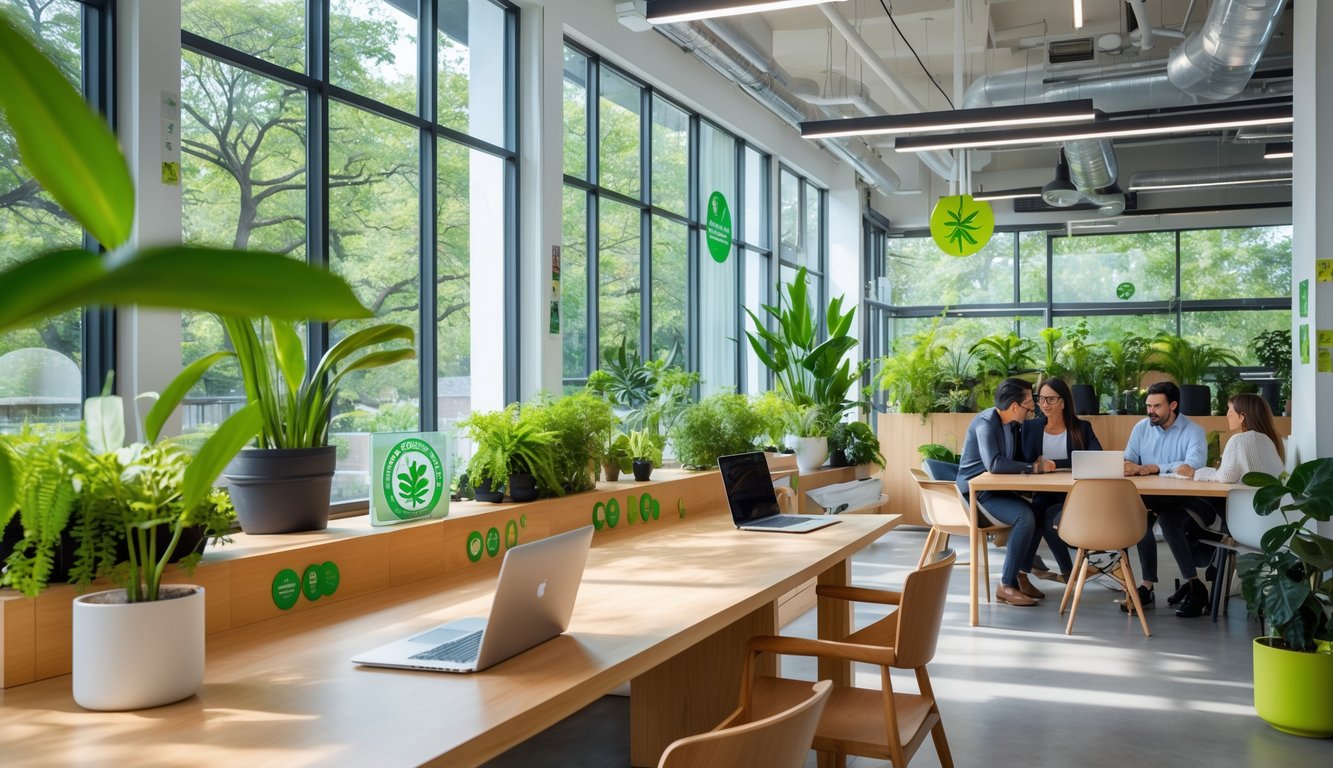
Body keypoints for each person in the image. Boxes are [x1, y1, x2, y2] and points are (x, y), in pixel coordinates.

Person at [956, 377, 1055, 607]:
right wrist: (1033, 468)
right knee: (1025, 517)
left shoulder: (1012, 424)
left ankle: (1021, 575)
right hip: (977, 495)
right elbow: (994, 464)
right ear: (1014, 406)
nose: (1032, 409)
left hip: (995, 490)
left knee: (1039, 512)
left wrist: (1035, 461)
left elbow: (1015, 459)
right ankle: (1006, 585)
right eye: (1029, 404)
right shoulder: (986, 423)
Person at [1123, 381, 1212, 618]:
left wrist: (1155, 468)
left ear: (1173, 405)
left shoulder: (1193, 431)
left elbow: (1191, 467)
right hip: (1151, 496)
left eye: (1157, 406)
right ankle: (1147, 586)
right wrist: (1130, 466)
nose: (1150, 411)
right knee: (1138, 517)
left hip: (1184, 498)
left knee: (1167, 520)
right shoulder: (1141, 428)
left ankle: (1194, 585)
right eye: (1148, 406)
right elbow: (1128, 460)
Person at [1020, 377, 1103, 582]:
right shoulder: (1031, 427)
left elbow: (1097, 458)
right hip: (1043, 492)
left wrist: (1052, 464)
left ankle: (1022, 573)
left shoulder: (1082, 427)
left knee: (1039, 513)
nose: (1044, 404)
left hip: (1075, 494)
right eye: (1041, 399)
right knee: (1040, 510)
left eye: (1051, 399)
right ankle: (1066, 572)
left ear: (1063, 402)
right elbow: (1024, 461)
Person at [1175, 393, 1285, 483]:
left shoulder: (1239, 440)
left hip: (1243, 501)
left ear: (1241, 417)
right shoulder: (1268, 440)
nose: (1227, 415)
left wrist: (1194, 473)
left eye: (1230, 411)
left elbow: (1225, 476)